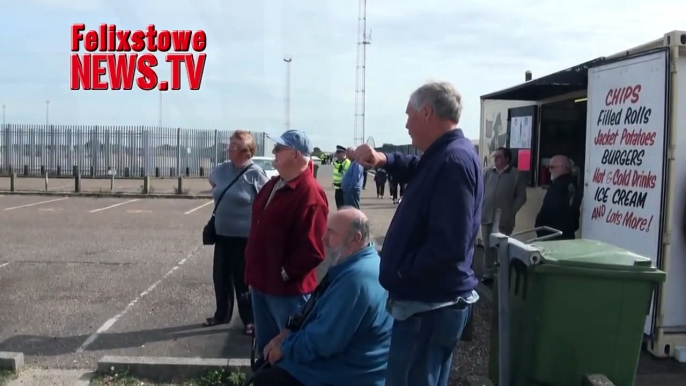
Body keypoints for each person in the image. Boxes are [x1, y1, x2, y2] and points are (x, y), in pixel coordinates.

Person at [355, 81, 483, 386]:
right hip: (431, 303)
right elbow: (419, 167)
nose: (406, 125)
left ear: (426, 112)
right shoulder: (447, 154)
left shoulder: (451, 161)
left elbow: (449, 245)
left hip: (427, 306)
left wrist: (399, 271)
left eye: (409, 115)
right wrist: (384, 159)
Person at [252, 208, 394, 386]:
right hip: (353, 362)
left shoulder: (356, 281)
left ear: (355, 238)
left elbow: (324, 340)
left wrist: (285, 347)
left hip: (352, 372)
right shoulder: (362, 262)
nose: (323, 238)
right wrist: (287, 334)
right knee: (265, 367)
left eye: (331, 233)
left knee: (267, 379)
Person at [244, 129, 329, 361]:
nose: (274, 151)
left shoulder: (310, 193)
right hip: (262, 285)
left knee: (289, 352)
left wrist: (283, 273)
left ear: (296, 155)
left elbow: (314, 249)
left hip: (287, 293)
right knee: (265, 351)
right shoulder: (274, 184)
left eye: (280, 148)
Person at [204, 130, 269, 334]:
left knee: (243, 280)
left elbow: (266, 200)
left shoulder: (255, 174)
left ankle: (249, 320)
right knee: (221, 278)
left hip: (245, 238)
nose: (228, 149)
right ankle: (221, 314)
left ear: (246, 151)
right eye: (229, 145)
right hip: (222, 235)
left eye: (233, 146)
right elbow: (214, 184)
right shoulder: (221, 169)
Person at [480, 146, 527, 283]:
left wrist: (511, 211)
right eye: (495, 156)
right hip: (487, 215)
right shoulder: (488, 172)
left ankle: (500, 274)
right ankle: (488, 273)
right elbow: (481, 190)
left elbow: (521, 197)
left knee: (501, 248)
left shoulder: (515, 174)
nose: (496, 159)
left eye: (499, 157)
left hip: (504, 218)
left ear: (507, 159)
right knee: (488, 246)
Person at [535, 155, 582, 240]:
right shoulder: (574, 185)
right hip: (568, 233)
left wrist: (539, 226)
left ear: (563, 167)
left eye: (552, 167)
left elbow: (550, 210)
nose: (549, 170)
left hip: (552, 234)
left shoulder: (558, 186)